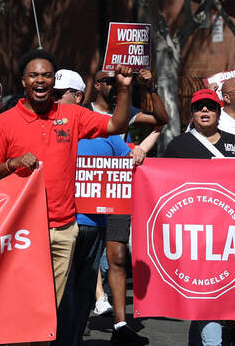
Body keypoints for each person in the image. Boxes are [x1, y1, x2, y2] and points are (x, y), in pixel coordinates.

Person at [0, 50, 148, 344]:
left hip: (63, 230)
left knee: (51, 311)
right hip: (22, 231)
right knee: (25, 305)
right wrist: (13, 164)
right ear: (23, 81)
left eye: (46, 75)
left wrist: (124, 89)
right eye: (34, 75)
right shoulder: (5, 122)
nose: (40, 80)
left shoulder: (72, 115)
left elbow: (116, 126)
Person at [162, 89, 235, 346]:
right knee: (206, 293)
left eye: (210, 106)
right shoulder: (178, 145)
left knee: (221, 293)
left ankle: (219, 333)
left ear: (219, 113)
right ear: (192, 113)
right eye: (199, 107)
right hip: (195, 236)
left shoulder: (234, 143)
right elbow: (162, 185)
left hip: (228, 235)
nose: (205, 111)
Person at [87, 67, 167, 346]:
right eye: (108, 81)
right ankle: (78, 317)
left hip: (116, 191)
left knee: (118, 257)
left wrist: (150, 87)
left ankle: (120, 325)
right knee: (82, 257)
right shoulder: (82, 113)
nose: (115, 85)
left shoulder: (126, 113)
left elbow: (161, 120)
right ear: (97, 85)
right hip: (85, 191)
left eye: (118, 81)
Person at [57, 128, 131, 345]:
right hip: (62, 222)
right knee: (62, 286)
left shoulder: (107, 133)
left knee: (85, 288)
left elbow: (128, 159)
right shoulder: (56, 130)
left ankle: (75, 338)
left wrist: (137, 153)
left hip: (96, 224)